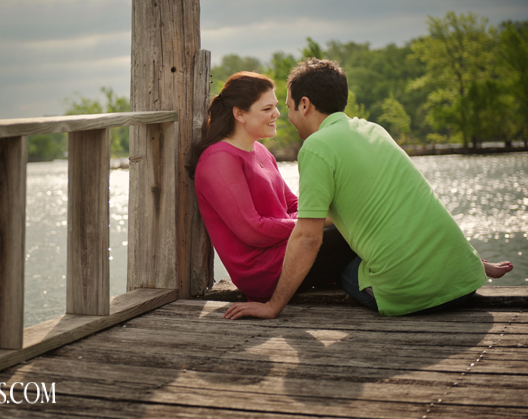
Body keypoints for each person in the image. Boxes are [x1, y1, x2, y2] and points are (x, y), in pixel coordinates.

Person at [224, 58, 513, 319]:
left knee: (340, 262)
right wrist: (475, 261)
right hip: (464, 280)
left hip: (412, 294)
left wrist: (272, 305)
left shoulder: (316, 147)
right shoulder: (374, 130)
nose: (287, 116)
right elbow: (418, 204)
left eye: (288, 107)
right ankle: (463, 263)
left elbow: (308, 238)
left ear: (305, 104)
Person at [189, 71, 356, 304]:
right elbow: (253, 230)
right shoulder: (219, 159)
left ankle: (363, 283)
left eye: (276, 106)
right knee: (355, 226)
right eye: (267, 109)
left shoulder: (259, 150)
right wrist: (318, 221)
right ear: (239, 114)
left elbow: (293, 204)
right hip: (263, 271)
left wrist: (320, 216)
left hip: (288, 250)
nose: (277, 113)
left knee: (357, 221)